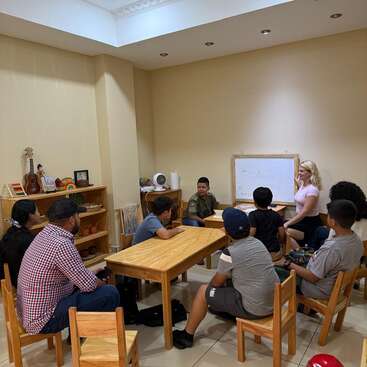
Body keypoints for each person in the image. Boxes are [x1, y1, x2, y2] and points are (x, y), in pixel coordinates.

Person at [172, 208, 280, 349]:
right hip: (273, 303)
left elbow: (216, 282)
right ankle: (225, 309)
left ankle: (187, 335)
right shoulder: (257, 242)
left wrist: (210, 292)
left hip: (255, 309)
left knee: (204, 291)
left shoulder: (230, 253)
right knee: (229, 279)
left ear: (227, 231)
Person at [16, 198, 120, 334]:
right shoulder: (62, 245)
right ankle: (90, 340)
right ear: (71, 220)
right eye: (78, 216)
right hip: (42, 319)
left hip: (28, 312)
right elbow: (89, 285)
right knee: (109, 293)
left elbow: (74, 275)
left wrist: (89, 275)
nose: (80, 220)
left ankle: (78, 335)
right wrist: (99, 283)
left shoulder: (43, 234)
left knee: (85, 284)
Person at [277, 200, 363, 299]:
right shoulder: (357, 240)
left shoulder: (332, 249)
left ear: (333, 221)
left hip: (319, 289)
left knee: (276, 271)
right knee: (296, 256)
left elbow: (313, 277)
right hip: (335, 285)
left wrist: (287, 264)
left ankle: (273, 308)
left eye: (328, 215)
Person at [309, 181, 367, 250]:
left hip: (341, 249)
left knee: (319, 234)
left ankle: (310, 254)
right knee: (320, 230)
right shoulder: (359, 211)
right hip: (346, 245)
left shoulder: (345, 217)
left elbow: (332, 242)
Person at [0, 200, 41, 287]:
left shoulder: (9, 233)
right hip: (24, 285)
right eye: (37, 211)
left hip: (10, 283)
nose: (39, 213)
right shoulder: (28, 240)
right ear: (30, 215)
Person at [284, 160, 323, 250]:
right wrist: (298, 184)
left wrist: (287, 223)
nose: (299, 173)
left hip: (310, 224)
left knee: (284, 231)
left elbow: (305, 212)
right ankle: (298, 253)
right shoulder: (303, 185)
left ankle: (303, 255)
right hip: (301, 221)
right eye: (299, 170)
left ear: (310, 173)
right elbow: (302, 196)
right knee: (280, 228)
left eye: (302, 171)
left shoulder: (312, 190)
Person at [249, 187, 285, 258]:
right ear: (270, 201)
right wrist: (281, 244)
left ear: (255, 202)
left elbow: (252, 233)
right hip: (274, 251)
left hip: (258, 251)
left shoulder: (252, 215)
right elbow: (282, 234)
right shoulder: (276, 215)